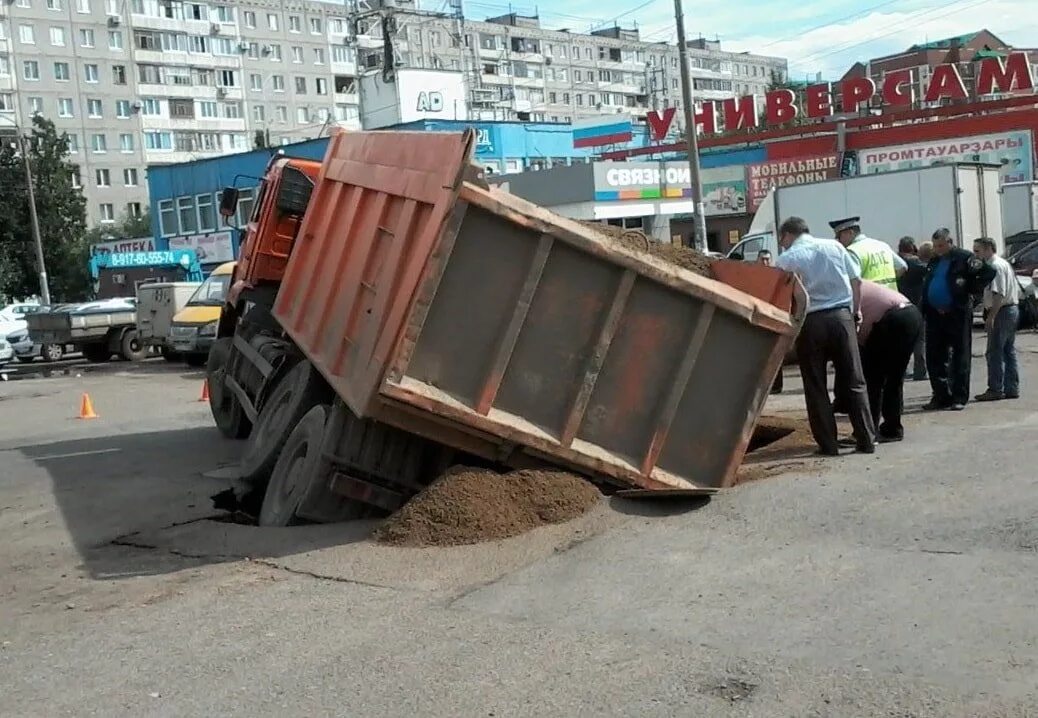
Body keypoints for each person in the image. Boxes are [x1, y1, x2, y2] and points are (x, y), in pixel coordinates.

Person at [775, 216, 876, 455]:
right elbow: (856, 281)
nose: (783, 244)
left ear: (789, 235)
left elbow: (781, 295)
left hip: (810, 323)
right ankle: (866, 440)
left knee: (815, 384)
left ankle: (828, 445)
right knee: (854, 380)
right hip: (841, 318)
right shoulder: (835, 247)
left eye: (783, 239)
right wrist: (856, 310)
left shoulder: (787, 259)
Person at [920, 228, 995, 411]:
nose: (938, 249)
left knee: (960, 355)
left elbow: (987, 273)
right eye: (936, 246)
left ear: (950, 242)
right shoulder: (935, 260)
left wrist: (970, 291)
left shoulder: (964, 257)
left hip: (957, 313)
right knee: (934, 356)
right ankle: (940, 395)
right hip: (935, 315)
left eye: (941, 245)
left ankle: (959, 396)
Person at [858, 280, 923, 442]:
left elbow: (859, 330)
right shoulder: (859, 283)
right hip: (910, 313)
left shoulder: (846, 290)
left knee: (873, 378)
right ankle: (892, 428)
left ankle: (868, 430)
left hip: (890, 319)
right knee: (895, 377)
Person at [972, 237, 1020, 401]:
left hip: (1002, 311)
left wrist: (991, 317)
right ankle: (1011, 387)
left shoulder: (995, 266)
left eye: (977, 251)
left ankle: (995, 388)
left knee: (994, 351)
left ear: (988, 249)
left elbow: (998, 294)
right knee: (1008, 350)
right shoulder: (1002, 263)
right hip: (1009, 310)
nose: (976, 255)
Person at [830, 216, 908, 289]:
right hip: (892, 298)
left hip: (870, 301)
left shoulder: (852, 251)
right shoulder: (882, 245)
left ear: (850, 232)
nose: (839, 241)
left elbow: (853, 281)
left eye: (839, 236)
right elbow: (903, 267)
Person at [897, 236, 929, 381]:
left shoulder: (896, 262)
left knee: (901, 341)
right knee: (919, 340)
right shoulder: (915, 263)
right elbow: (929, 270)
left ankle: (902, 370)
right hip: (917, 304)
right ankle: (920, 371)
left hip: (899, 304)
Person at [758, 249, 781, 393]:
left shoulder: (777, 275)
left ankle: (777, 386)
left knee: (776, 353)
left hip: (775, 317)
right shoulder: (754, 275)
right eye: (762, 259)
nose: (765, 262)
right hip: (761, 318)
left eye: (768, 259)